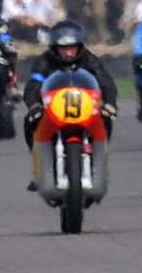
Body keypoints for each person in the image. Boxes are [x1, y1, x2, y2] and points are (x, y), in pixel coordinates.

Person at [20, 20, 118, 192]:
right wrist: (34, 105)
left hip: (85, 108)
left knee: (105, 119)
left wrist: (109, 104)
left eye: (72, 47)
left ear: (79, 47)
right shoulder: (45, 61)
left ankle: (98, 157)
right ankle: (40, 166)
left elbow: (105, 81)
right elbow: (33, 85)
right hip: (54, 110)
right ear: (55, 48)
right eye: (63, 48)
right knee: (30, 121)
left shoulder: (89, 59)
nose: (68, 53)